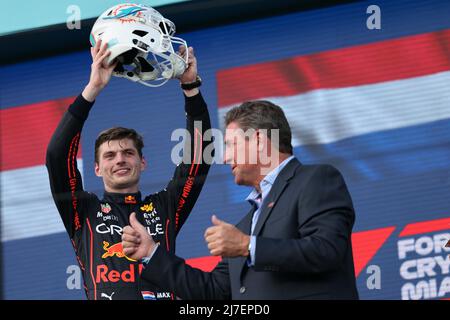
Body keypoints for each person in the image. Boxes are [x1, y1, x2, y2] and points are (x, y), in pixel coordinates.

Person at [122, 100, 360, 299]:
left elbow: (327, 250)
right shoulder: (244, 227)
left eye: (231, 145)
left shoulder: (314, 180)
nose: (225, 158)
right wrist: (151, 252)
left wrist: (247, 246)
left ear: (257, 140)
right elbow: (214, 292)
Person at [46, 40, 212, 300]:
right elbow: (57, 156)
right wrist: (93, 88)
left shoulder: (164, 207)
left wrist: (190, 88)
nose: (120, 160)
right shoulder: (82, 211)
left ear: (142, 163)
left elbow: (199, 158)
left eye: (128, 153)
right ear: (97, 169)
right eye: (110, 155)